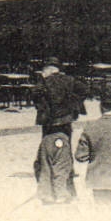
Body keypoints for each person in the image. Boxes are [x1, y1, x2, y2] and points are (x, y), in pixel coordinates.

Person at [32, 57, 84, 204]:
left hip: (49, 124)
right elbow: (84, 90)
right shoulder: (69, 80)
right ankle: (68, 190)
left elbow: (34, 95)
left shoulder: (44, 82)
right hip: (65, 122)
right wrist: (73, 106)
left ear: (49, 69)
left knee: (47, 155)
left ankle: (48, 192)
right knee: (65, 155)